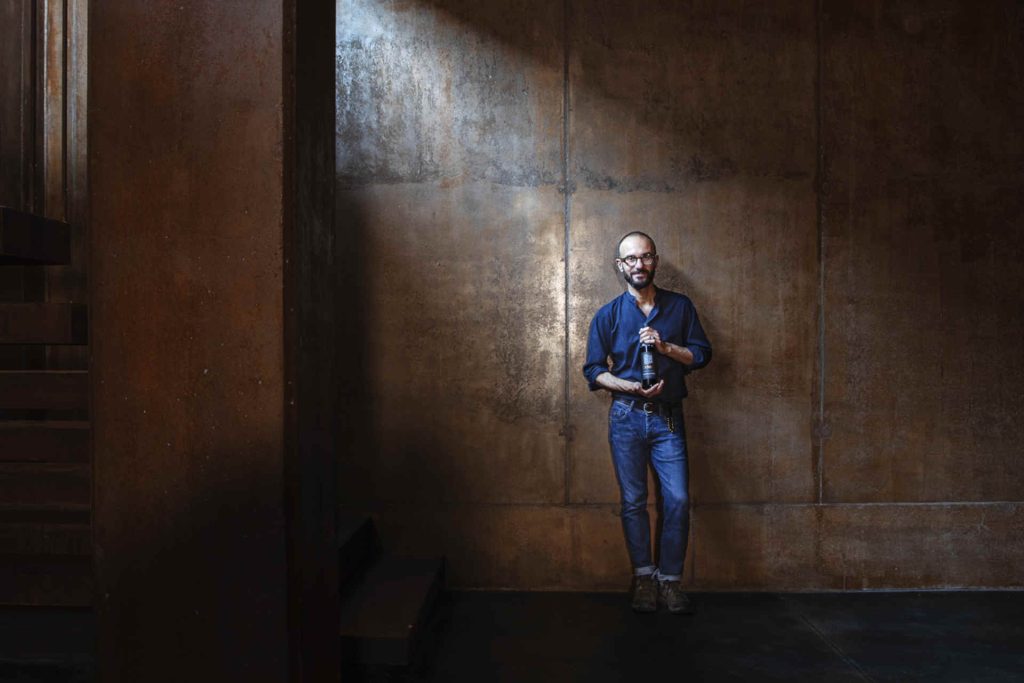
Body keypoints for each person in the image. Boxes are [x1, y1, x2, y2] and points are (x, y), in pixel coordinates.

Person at [582, 231, 712, 614]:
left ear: (655, 260)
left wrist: (665, 347)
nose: (639, 265)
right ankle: (643, 577)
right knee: (633, 501)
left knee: (678, 499)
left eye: (646, 257)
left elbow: (701, 355)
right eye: (631, 259)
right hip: (626, 416)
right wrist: (630, 387)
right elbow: (593, 370)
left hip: (668, 419)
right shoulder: (607, 315)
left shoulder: (680, 307)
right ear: (620, 266)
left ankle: (669, 581)